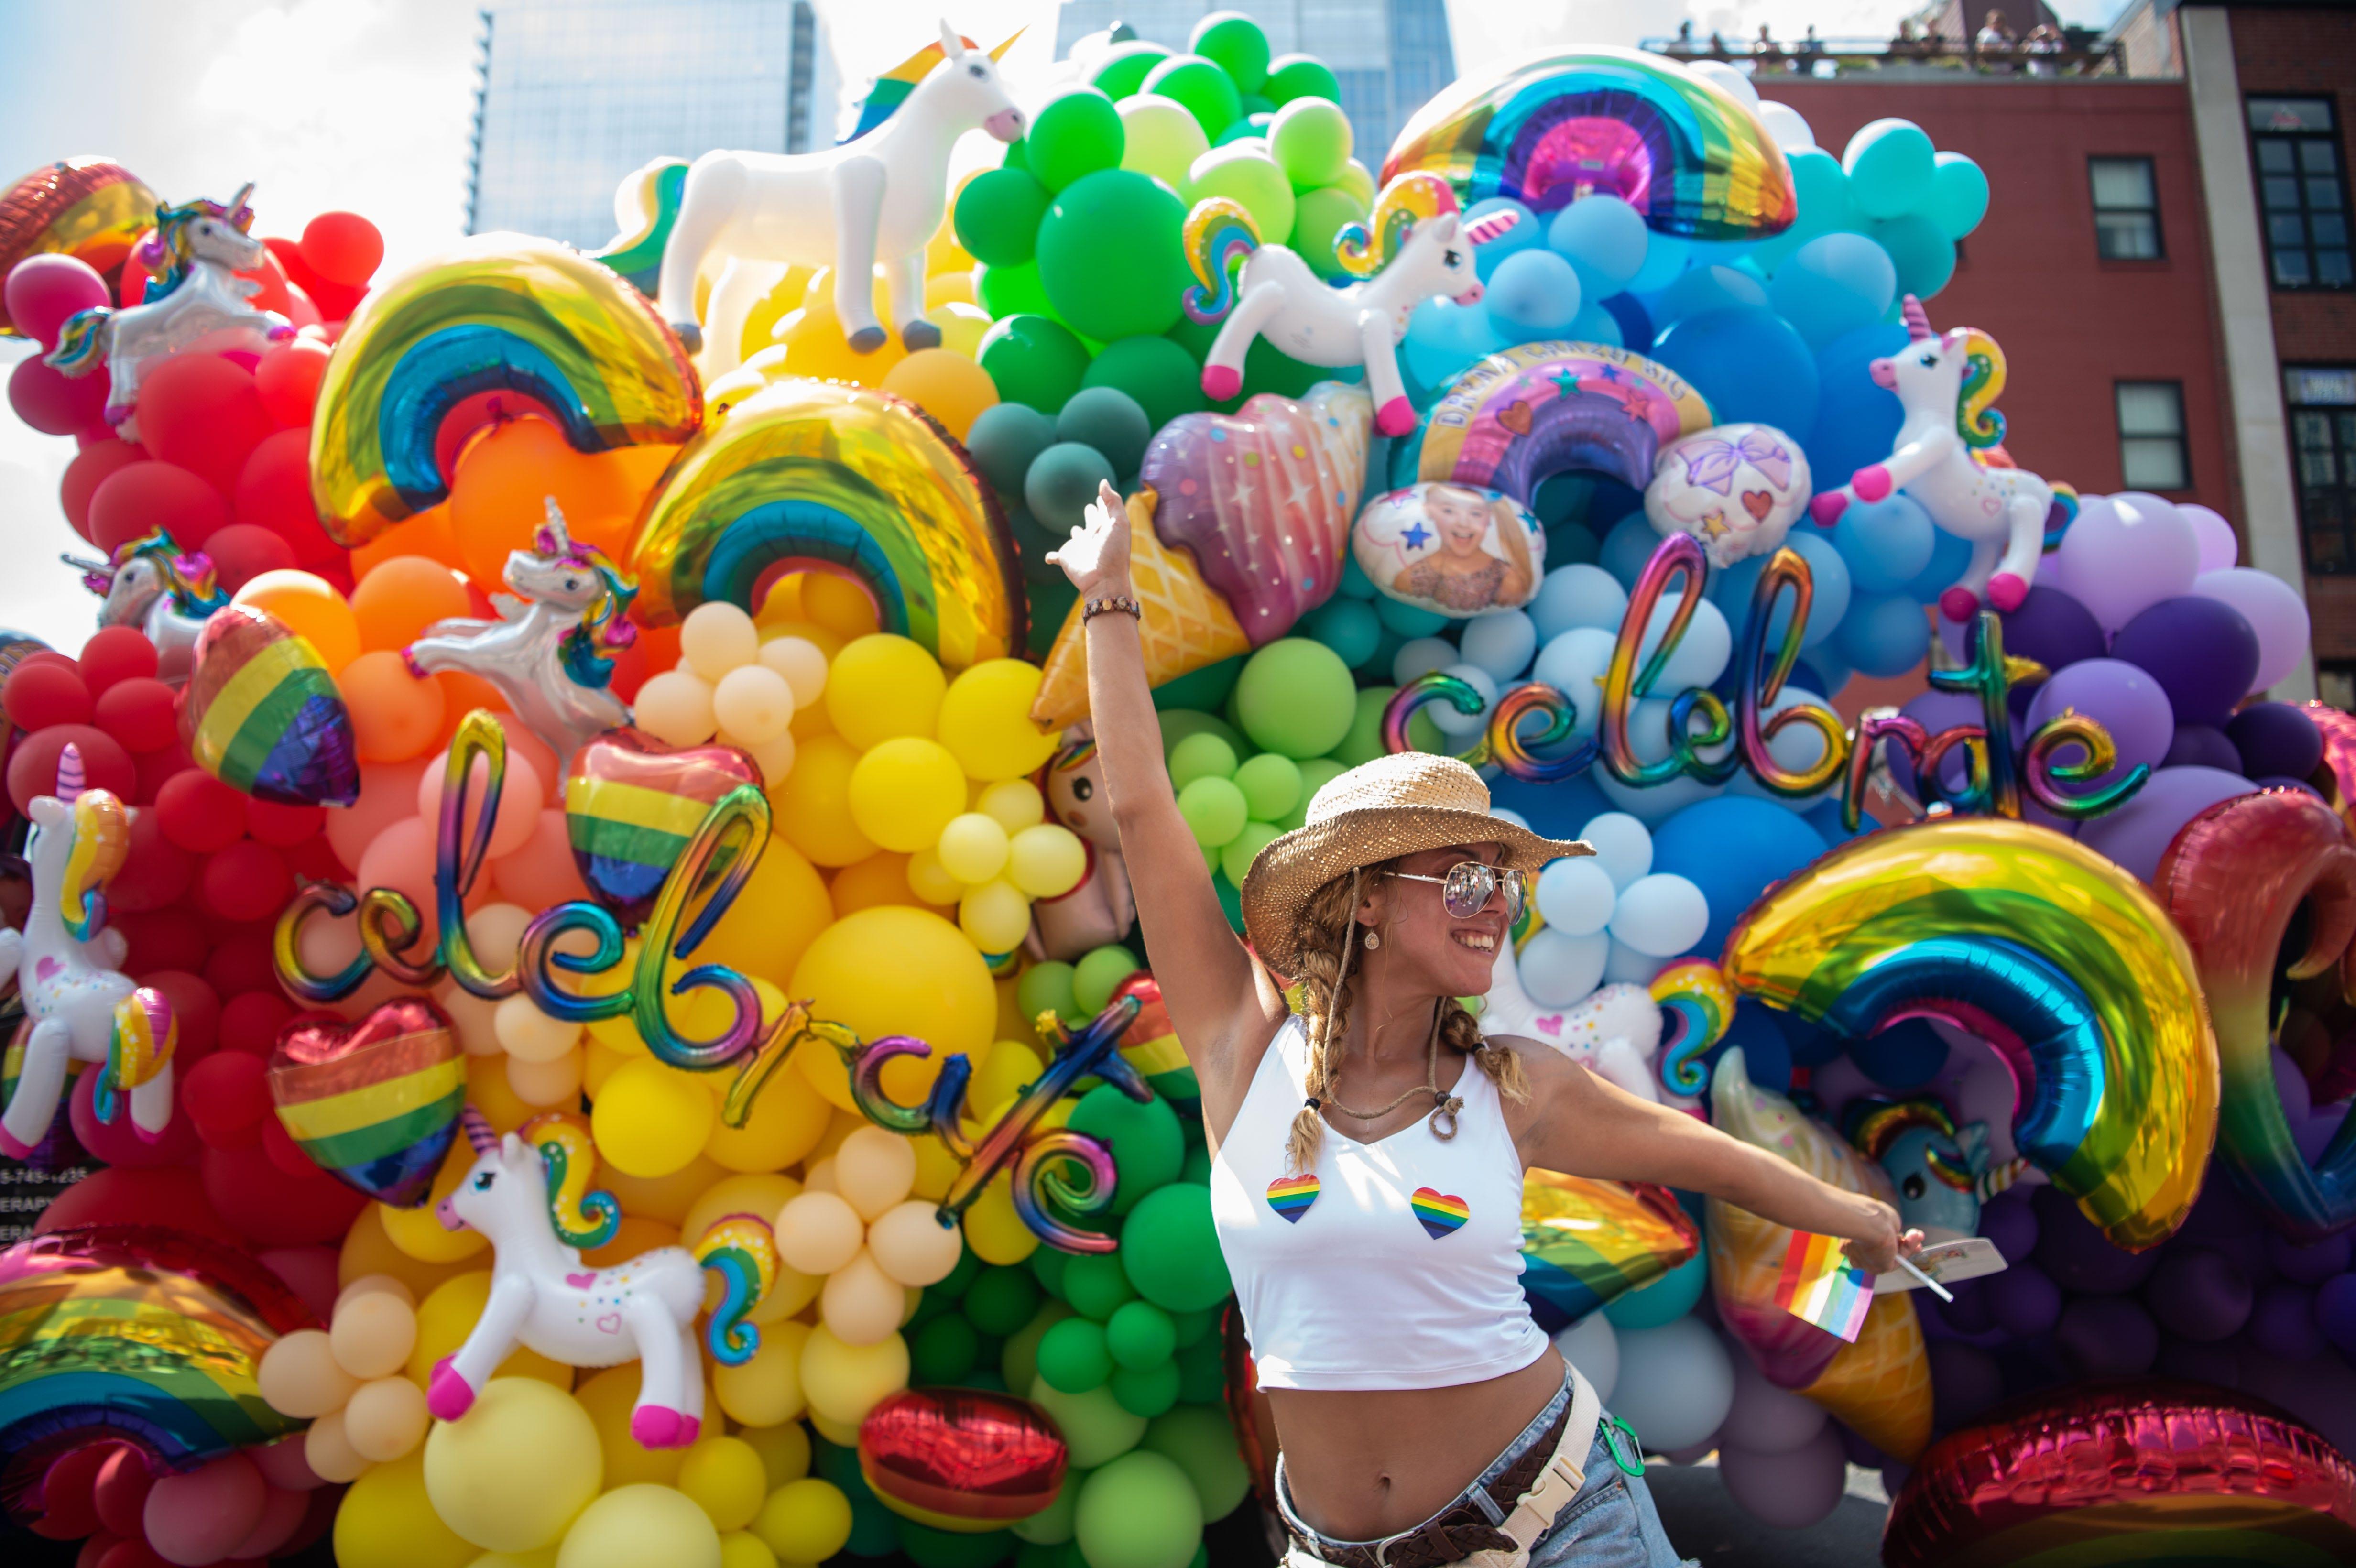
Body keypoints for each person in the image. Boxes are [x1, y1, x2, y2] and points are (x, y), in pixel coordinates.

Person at [1048, 481, 1923, 1568]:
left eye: (1502, 880)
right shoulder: (1244, 1047)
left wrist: (1853, 1214)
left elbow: (1707, 1156)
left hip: (1561, 1521)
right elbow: (1142, 811)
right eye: (1462, 874)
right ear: (1364, 895)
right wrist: (1114, 603)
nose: (1497, 902)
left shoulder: (1512, 1084)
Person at [1393, 484, 1536, 613]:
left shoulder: (1507, 580)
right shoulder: (1408, 578)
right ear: (1429, 511)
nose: (1463, 523)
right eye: (1449, 511)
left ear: (1489, 517)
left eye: (1475, 513)